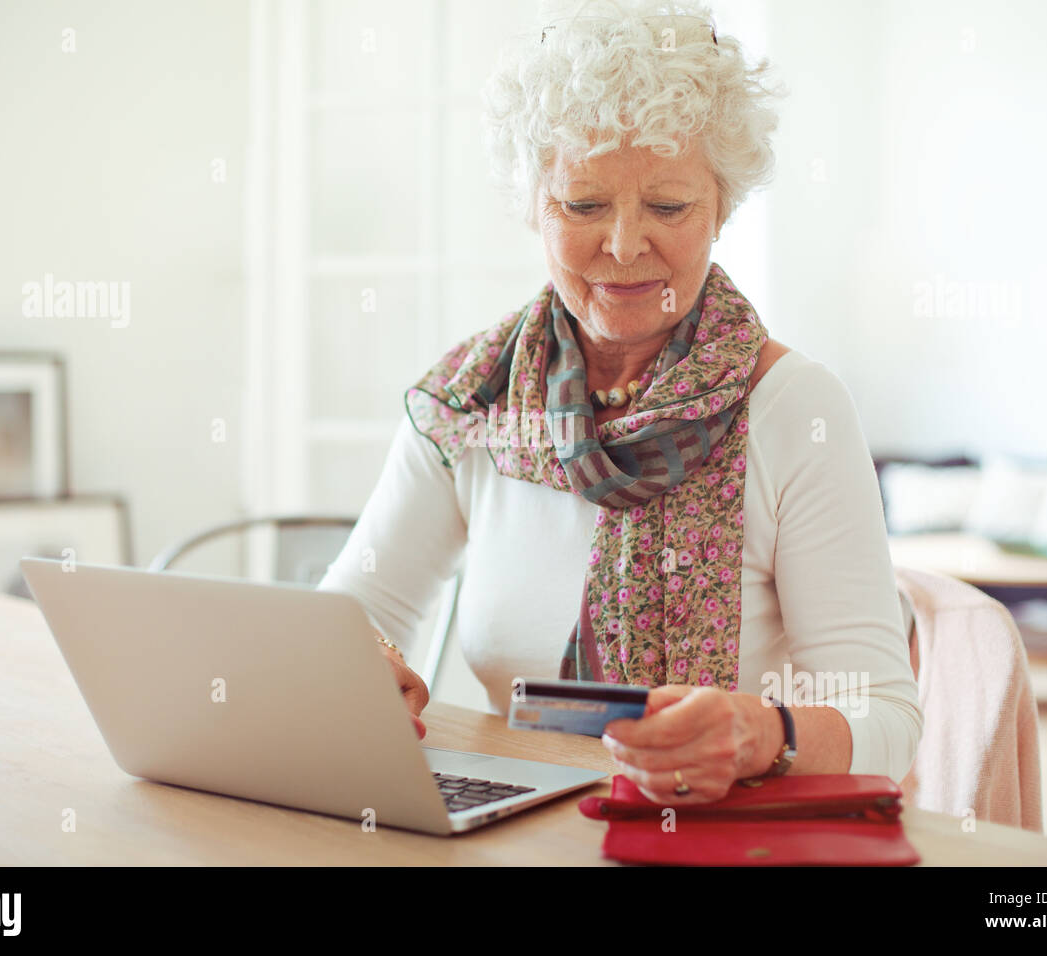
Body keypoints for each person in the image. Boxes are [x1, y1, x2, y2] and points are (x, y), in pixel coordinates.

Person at [319, 1, 921, 802]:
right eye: (583, 205)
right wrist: (361, 665)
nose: (626, 245)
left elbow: (884, 717)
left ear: (723, 206)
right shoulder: (472, 399)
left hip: (722, 834)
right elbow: (352, 614)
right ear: (533, 204)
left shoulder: (795, 410)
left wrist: (764, 735)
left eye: (668, 206)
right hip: (518, 825)